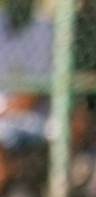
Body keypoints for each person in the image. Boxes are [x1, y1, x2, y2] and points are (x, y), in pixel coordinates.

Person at [0, 0, 50, 149]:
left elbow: (30, 98)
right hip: (3, 110)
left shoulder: (44, 32)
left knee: (4, 133)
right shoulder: (2, 24)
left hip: (29, 118)